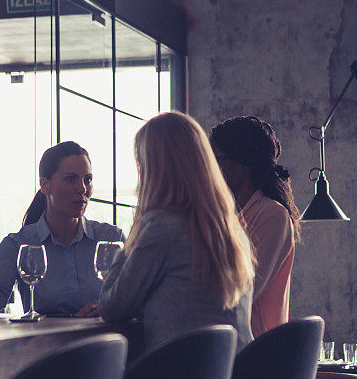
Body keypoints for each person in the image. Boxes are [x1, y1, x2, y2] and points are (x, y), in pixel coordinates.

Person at [99, 112, 254, 352]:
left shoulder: (161, 228)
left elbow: (112, 307)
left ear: (151, 169)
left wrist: (135, 232)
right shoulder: (231, 230)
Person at [0, 141, 124, 318]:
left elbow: (139, 297)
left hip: (109, 349)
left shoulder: (112, 239)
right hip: (48, 350)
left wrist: (111, 306)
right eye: (70, 179)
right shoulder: (17, 245)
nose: (82, 189)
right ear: (45, 185)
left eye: (87, 179)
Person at [208, 116, 299, 339]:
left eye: (216, 159)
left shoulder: (272, 215)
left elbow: (243, 291)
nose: (211, 169)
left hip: (256, 351)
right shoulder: (227, 216)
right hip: (227, 344)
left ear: (243, 164)